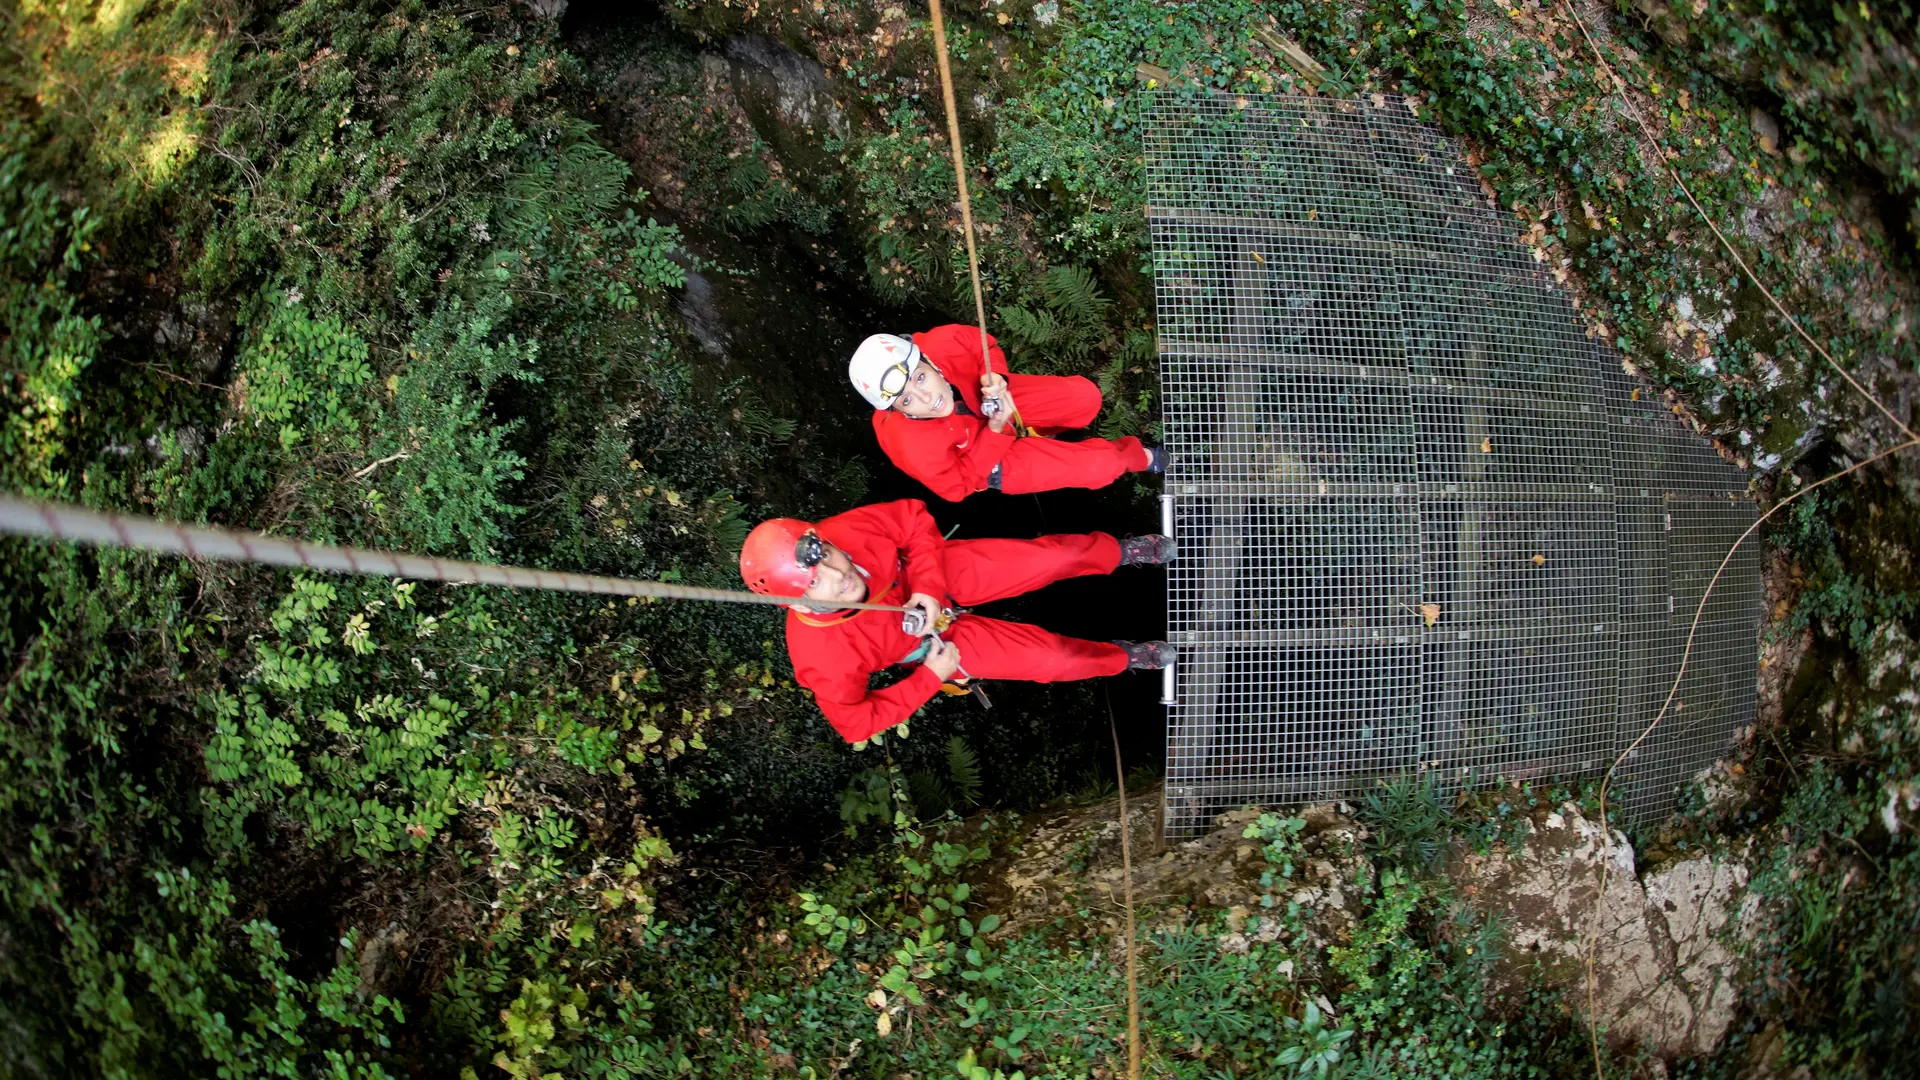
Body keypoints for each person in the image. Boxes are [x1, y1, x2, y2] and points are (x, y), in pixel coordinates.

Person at [739, 498, 1176, 744]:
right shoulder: (822, 657)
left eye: (828, 556)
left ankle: (1124, 552)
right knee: (1053, 661)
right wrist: (929, 677)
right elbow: (853, 724)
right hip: (933, 647)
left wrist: (927, 585)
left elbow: (912, 518)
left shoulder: (845, 530)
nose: (841, 575)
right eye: (817, 581)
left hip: (931, 576)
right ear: (798, 604)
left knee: (1052, 558)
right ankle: (1126, 657)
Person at [847, 325, 1163, 502]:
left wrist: (995, 376)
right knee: (1101, 466)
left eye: (919, 378)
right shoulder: (911, 446)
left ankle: (1040, 434)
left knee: (1086, 398)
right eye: (906, 401)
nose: (927, 399)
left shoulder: (941, 343)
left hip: (991, 394)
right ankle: (1141, 457)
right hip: (989, 459)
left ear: (925, 359)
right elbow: (957, 487)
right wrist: (995, 433)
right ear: (896, 410)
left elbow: (985, 345)